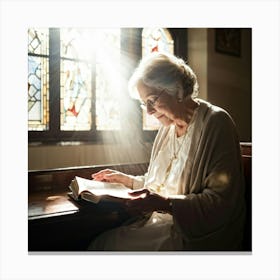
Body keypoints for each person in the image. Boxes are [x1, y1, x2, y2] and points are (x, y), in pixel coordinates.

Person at [88, 52, 246, 251]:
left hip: (194, 238)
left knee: (103, 247)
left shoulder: (216, 122)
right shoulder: (167, 128)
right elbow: (161, 184)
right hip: (160, 225)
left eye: (152, 101)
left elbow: (221, 203)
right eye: (144, 104)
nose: (149, 111)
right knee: (101, 243)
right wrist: (127, 180)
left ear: (177, 90)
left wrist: (166, 205)